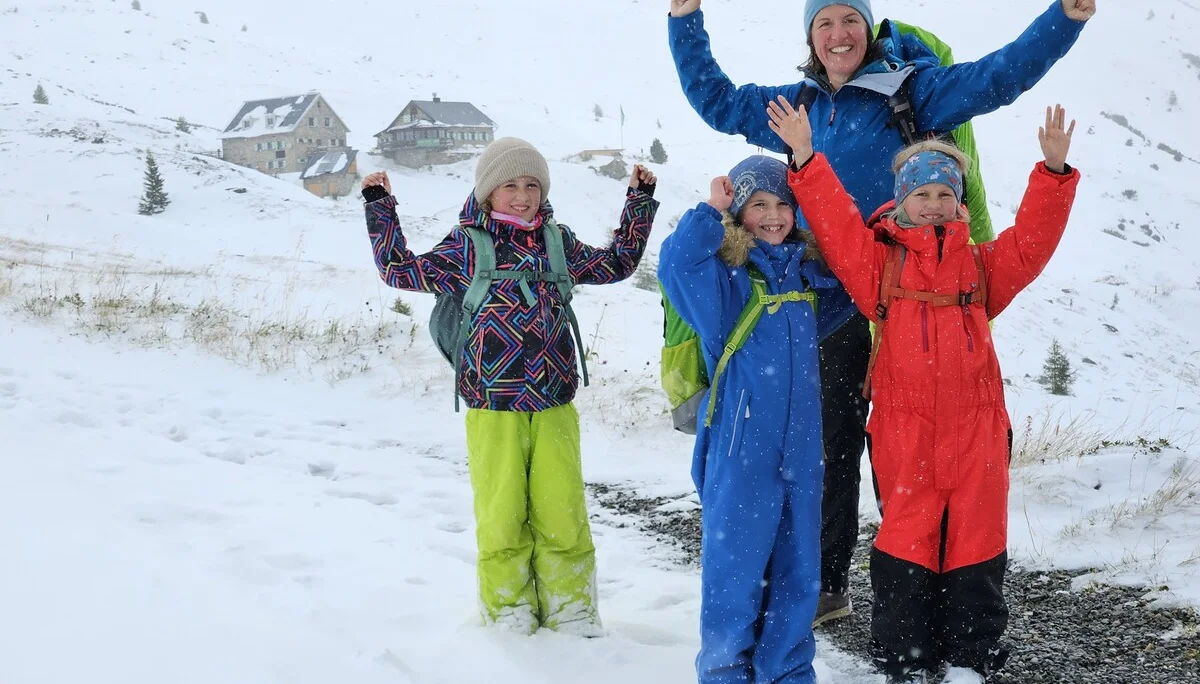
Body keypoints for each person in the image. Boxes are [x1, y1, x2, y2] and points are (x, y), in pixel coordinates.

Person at [666, 0, 1096, 625]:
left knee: (908, 448)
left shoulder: (912, 91)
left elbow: (1001, 75)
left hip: (905, 293)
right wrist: (685, 20)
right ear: (811, 37)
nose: (839, 35)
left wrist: (1065, 18)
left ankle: (918, 586)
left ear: (868, 30)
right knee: (828, 443)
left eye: (850, 21)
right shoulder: (797, 105)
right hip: (830, 298)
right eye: (825, 24)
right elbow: (715, 99)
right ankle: (829, 585)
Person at [773, 97, 1080, 683]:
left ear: (959, 203)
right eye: (923, 194)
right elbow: (835, 224)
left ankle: (971, 658)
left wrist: (1054, 175)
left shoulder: (984, 266)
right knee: (908, 533)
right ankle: (906, 658)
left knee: (976, 534)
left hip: (977, 428)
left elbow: (1033, 245)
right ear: (904, 201)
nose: (935, 205)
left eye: (945, 194)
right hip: (903, 426)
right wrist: (807, 158)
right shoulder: (879, 266)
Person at [362, 137, 659, 636]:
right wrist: (380, 208)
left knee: (563, 515)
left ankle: (573, 612)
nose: (522, 195)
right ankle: (508, 615)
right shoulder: (466, 245)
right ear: (486, 192)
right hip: (492, 405)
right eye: (509, 185)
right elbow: (399, 270)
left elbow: (617, 264)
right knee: (502, 518)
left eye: (531, 185)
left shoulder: (556, 242)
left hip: (553, 402)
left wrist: (639, 203)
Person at [658, 155, 855, 684]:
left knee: (798, 574)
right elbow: (676, 267)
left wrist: (838, 220)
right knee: (735, 574)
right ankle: (723, 672)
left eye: (783, 205)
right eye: (758, 205)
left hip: (800, 454)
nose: (772, 216)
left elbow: (853, 283)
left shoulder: (808, 282)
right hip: (741, 450)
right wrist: (709, 211)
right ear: (739, 215)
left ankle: (787, 670)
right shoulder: (726, 284)